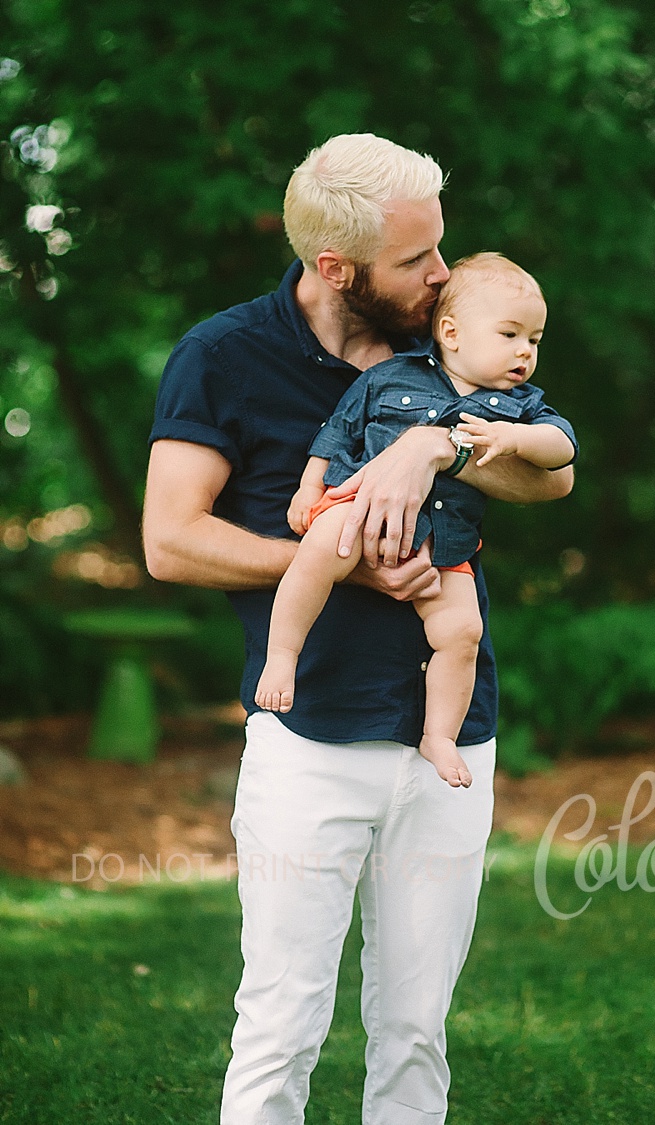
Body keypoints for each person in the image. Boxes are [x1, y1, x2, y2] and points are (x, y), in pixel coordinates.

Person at [142, 133, 572, 1124]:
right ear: (338, 270)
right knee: (282, 1018)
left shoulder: (454, 343)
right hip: (309, 735)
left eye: (442, 250)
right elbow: (171, 542)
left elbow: (555, 475)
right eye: (417, 260)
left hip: (449, 736)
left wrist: (437, 448)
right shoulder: (225, 355)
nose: (441, 273)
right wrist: (343, 568)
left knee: (416, 1026)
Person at [254, 252, 576, 789]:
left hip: (444, 546)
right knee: (315, 555)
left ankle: (440, 736)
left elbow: (563, 449)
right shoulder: (388, 377)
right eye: (510, 334)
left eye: (535, 340)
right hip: (360, 512)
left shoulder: (519, 407)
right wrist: (311, 487)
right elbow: (339, 430)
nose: (525, 350)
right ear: (451, 331)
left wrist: (515, 438)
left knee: (463, 632)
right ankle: (281, 657)